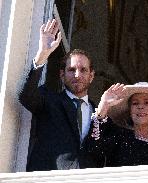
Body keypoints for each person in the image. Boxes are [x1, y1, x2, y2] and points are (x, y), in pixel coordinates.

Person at [19, 19, 104, 171]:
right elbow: (27, 96)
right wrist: (42, 54)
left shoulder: (100, 114)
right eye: (71, 70)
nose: (77, 75)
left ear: (91, 76)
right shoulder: (49, 100)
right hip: (49, 181)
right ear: (62, 75)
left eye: (83, 70)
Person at [84, 82, 148, 166]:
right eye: (135, 103)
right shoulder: (117, 137)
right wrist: (103, 108)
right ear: (130, 110)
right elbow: (93, 150)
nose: (140, 107)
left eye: (147, 103)